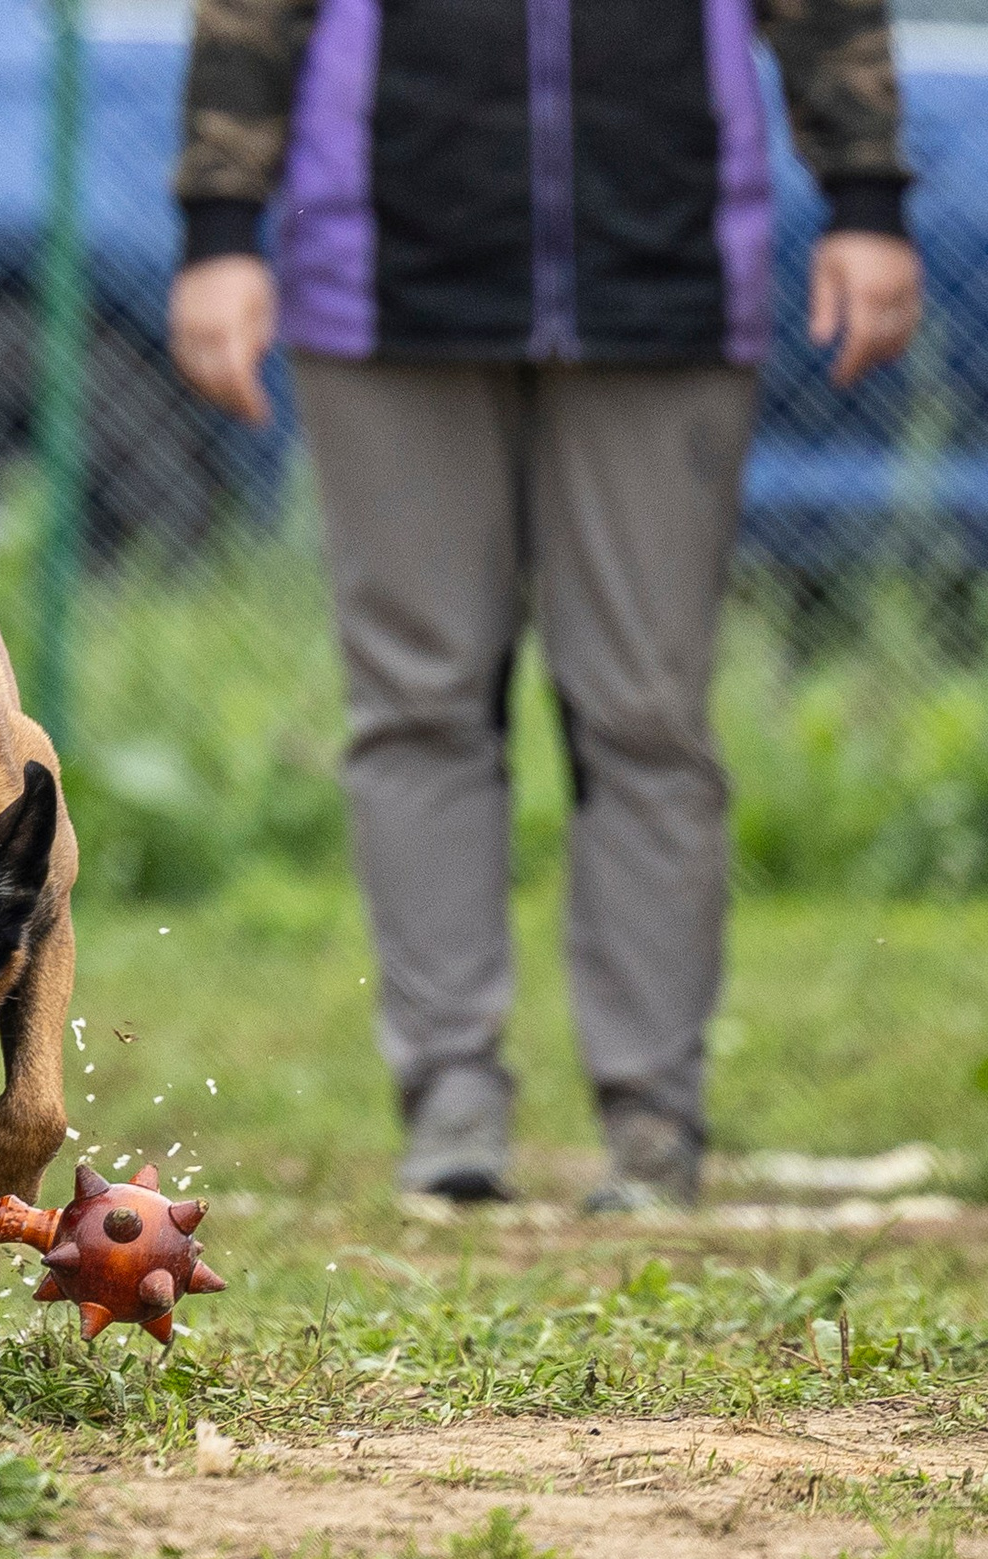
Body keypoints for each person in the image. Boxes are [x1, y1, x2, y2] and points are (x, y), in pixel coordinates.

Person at [167, 0, 924, 1209]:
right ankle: (451, 1106)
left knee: (646, 716)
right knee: (416, 704)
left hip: (660, 275)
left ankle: (651, 1122)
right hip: (383, 276)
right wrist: (219, 228)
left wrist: (866, 197)